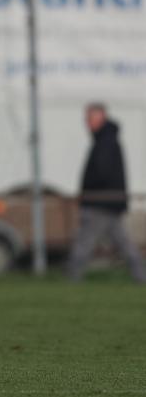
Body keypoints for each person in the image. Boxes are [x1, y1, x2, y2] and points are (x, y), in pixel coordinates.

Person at [66, 103, 145, 282]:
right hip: (109, 203)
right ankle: (141, 276)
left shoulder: (105, 141)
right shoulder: (107, 139)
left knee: (84, 242)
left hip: (99, 202)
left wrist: (87, 191)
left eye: (89, 118)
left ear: (100, 117)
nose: (86, 122)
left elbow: (102, 172)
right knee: (125, 244)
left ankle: (72, 277)